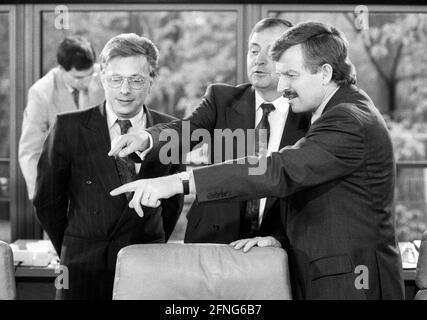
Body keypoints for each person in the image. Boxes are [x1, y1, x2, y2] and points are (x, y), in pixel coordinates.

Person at [110, 22, 405, 300]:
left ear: (325, 73)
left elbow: (277, 170)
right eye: (255, 51)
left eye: (291, 75)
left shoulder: (347, 119)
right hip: (293, 263)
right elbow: (188, 132)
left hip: (349, 280)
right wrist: (276, 239)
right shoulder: (336, 109)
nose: (284, 85)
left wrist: (178, 182)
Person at [109, 18, 310, 246]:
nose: (259, 60)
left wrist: (279, 240)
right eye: (253, 50)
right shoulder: (221, 99)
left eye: (270, 51)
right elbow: (186, 131)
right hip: (213, 241)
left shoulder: (309, 114)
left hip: (278, 246)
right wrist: (146, 138)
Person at [33, 33, 184, 300]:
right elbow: (47, 200)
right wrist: (72, 246)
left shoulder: (170, 131)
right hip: (80, 269)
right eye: (115, 79)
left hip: (147, 267)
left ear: (151, 80)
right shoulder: (69, 128)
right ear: (102, 78)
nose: (124, 90)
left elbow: (173, 204)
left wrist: (150, 242)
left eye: (136, 80)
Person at [19, 35, 105, 200]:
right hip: (61, 182)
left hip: (102, 181)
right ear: (61, 69)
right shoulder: (41, 93)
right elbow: (30, 151)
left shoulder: (104, 76)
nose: (86, 82)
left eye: (90, 74)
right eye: (78, 78)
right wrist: (41, 194)